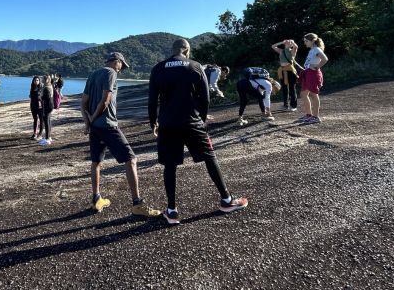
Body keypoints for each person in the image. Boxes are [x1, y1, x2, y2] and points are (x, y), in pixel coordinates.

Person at [149, 39, 248, 225]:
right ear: (187, 50)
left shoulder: (158, 68)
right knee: (209, 158)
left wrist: (153, 122)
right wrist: (201, 119)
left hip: (168, 123)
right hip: (192, 122)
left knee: (170, 165)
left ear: (173, 50)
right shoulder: (195, 66)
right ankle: (227, 201)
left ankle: (171, 211)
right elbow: (205, 97)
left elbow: (152, 99)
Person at [81, 52, 160, 218]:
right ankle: (137, 204)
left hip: (95, 128)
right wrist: (95, 117)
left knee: (96, 162)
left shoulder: (93, 74)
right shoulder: (111, 73)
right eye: (121, 66)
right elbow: (106, 100)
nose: (121, 70)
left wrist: (89, 123)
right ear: (116, 62)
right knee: (131, 160)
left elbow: (84, 102)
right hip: (108, 125)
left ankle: (96, 199)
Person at [299, 33, 329, 124]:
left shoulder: (316, 49)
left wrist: (317, 67)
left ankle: (315, 117)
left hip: (313, 74)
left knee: (313, 94)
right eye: (304, 41)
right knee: (304, 94)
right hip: (308, 73)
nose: (305, 43)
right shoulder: (312, 50)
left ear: (312, 41)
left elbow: (325, 59)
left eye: (306, 41)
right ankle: (309, 115)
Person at [271, 39, 299, 112]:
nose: (287, 43)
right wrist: (281, 42)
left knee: (292, 88)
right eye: (287, 42)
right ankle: (285, 105)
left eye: (289, 42)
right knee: (284, 89)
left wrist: (292, 42)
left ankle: (293, 106)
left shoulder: (292, 51)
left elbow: (296, 47)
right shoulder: (281, 51)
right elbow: (273, 46)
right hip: (282, 71)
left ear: (291, 44)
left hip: (290, 71)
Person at [39, 75, 55, 146]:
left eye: (42, 79)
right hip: (50, 106)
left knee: (46, 122)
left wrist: (41, 97)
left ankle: (47, 139)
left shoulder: (46, 88)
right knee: (48, 121)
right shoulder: (50, 86)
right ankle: (49, 137)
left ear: (46, 80)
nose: (41, 80)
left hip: (47, 106)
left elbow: (47, 98)